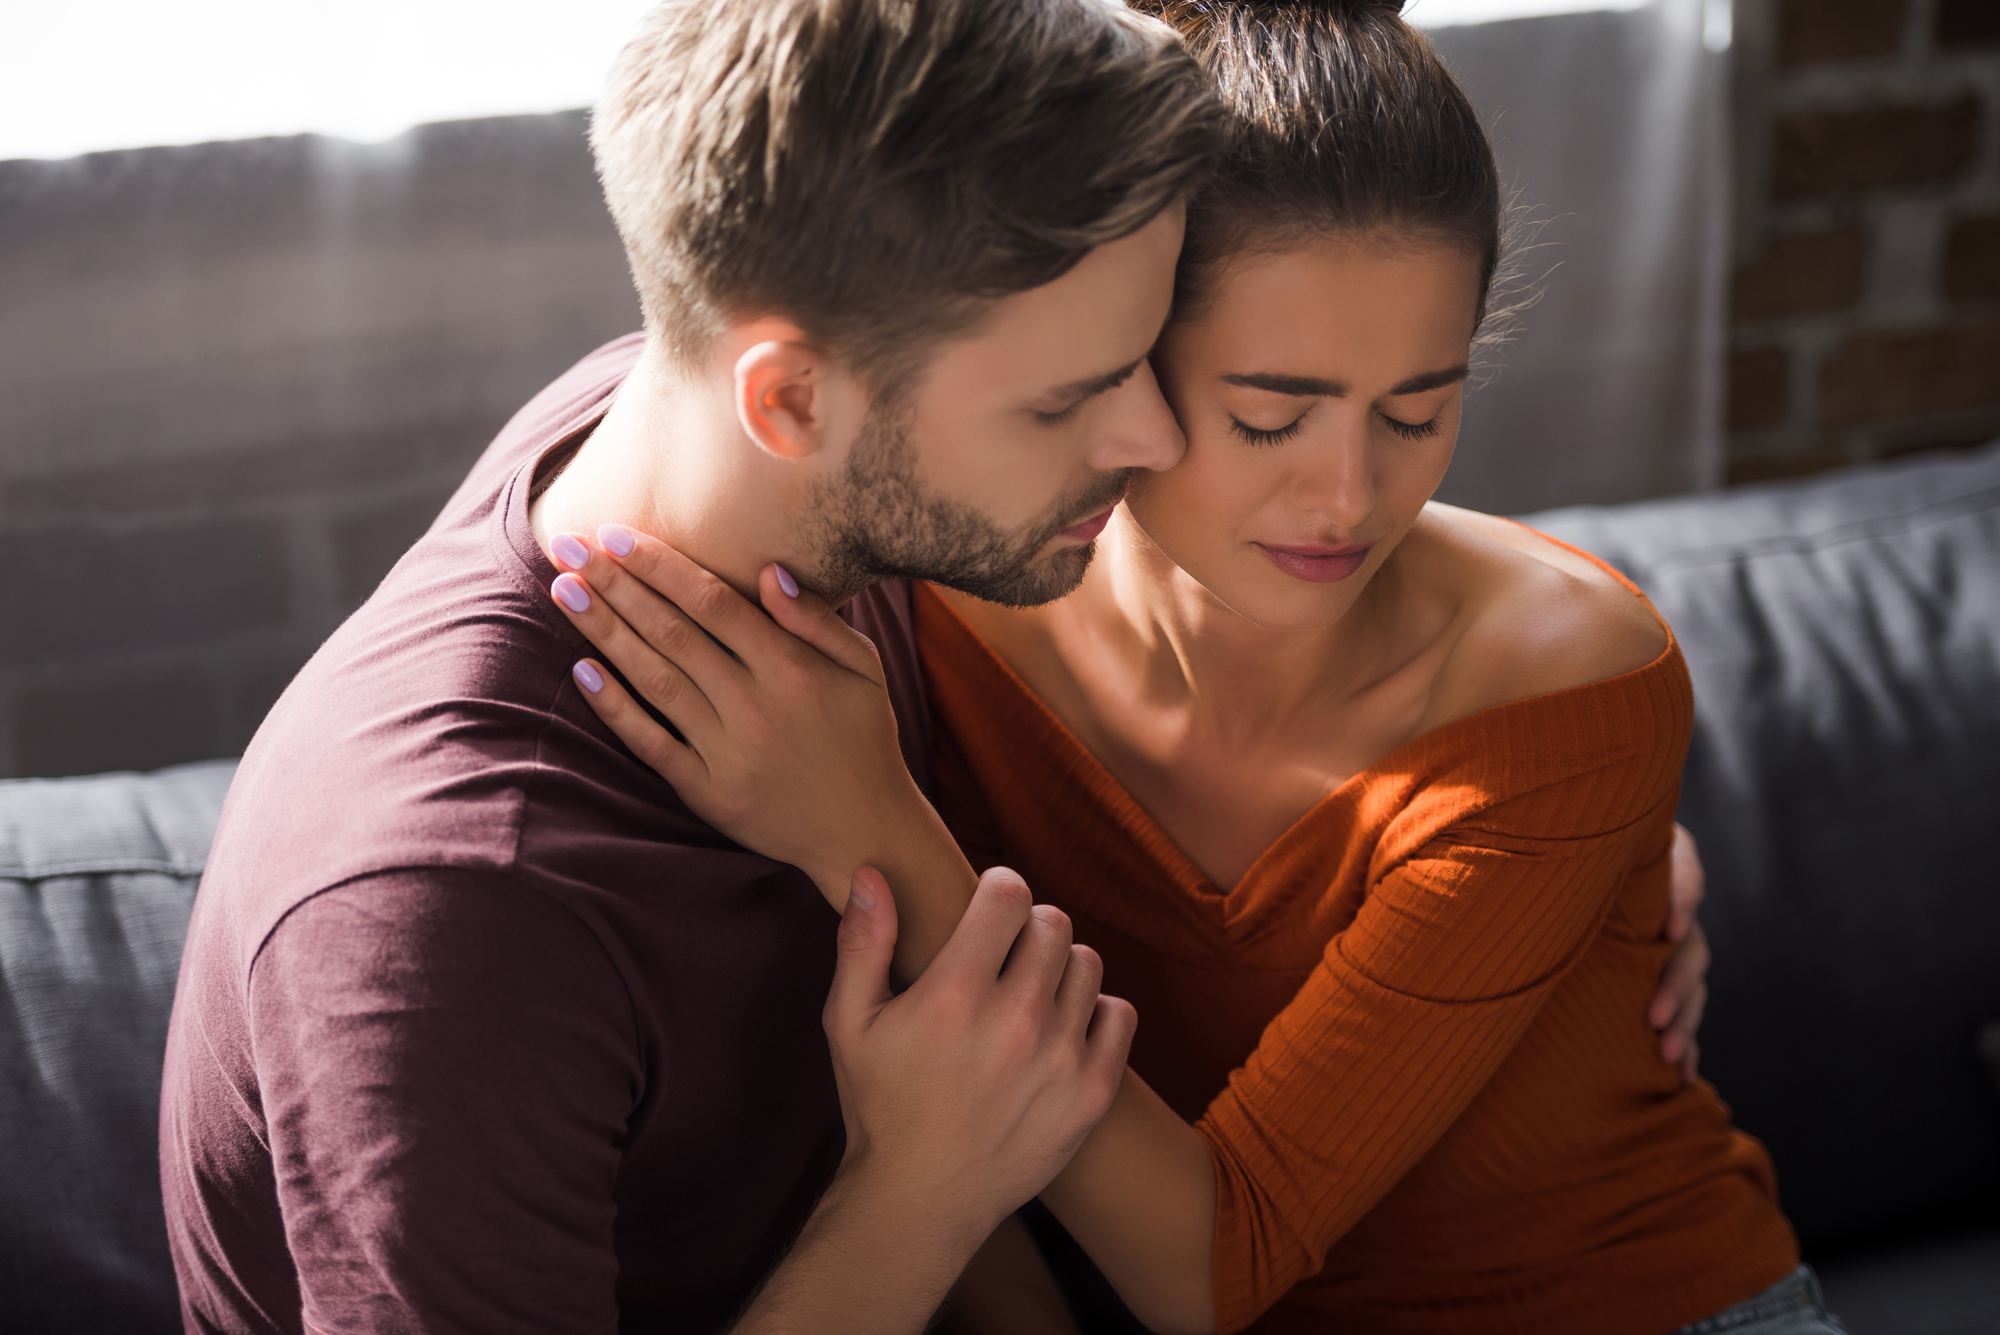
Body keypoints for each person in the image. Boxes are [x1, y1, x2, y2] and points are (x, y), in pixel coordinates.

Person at [538, 1, 1843, 1332]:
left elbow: (1214, 1267)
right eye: (1267, 416)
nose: (1347, 497)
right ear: (1120, 363)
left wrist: (871, 824)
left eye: (1420, 410)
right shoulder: (935, 615)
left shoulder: (1560, 685)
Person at [155, 3, 1224, 1332]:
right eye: (1067, 401)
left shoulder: (699, 443)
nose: (1160, 437)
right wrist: (924, 1190)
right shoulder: (454, 911)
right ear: (786, 401)